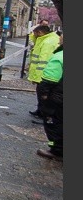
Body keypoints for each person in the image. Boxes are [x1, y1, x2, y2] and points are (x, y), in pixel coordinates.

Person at [36, 33, 63, 161]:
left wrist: (43, 95)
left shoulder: (60, 56)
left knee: (53, 123)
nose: (60, 38)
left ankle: (56, 150)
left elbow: (48, 80)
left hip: (57, 98)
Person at [27, 24, 60, 120]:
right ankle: (40, 111)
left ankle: (43, 114)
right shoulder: (46, 39)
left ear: (41, 33)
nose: (35, 35)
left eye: (36, 33)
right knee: (41, 95)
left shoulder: (48, 42)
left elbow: (43, 61)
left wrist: (37, 77)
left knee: (44, 96)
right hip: (44, 75)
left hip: (44, 75)